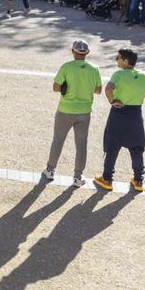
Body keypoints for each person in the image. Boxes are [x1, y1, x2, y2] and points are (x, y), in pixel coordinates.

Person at [42, 39, 102, 187]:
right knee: (81, 144)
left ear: (73, 52)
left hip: (65, 110)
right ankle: (77, 176)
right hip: (85, 111)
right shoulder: (94, 69)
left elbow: (56, 87)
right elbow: (98, 90)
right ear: (87, 53)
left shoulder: (66, 67)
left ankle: (50, 170)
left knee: (58, 140)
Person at [93, 48, 145, 193]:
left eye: (118, 57)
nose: (116, 59)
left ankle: (107, 179)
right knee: (137, 148)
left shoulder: (118, 74)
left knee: (113, 145)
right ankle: (138, 181)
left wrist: (112, 101)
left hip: (119, 112)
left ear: (125, 60)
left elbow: (108, 89)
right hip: (136, 113)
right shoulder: (144, 75)